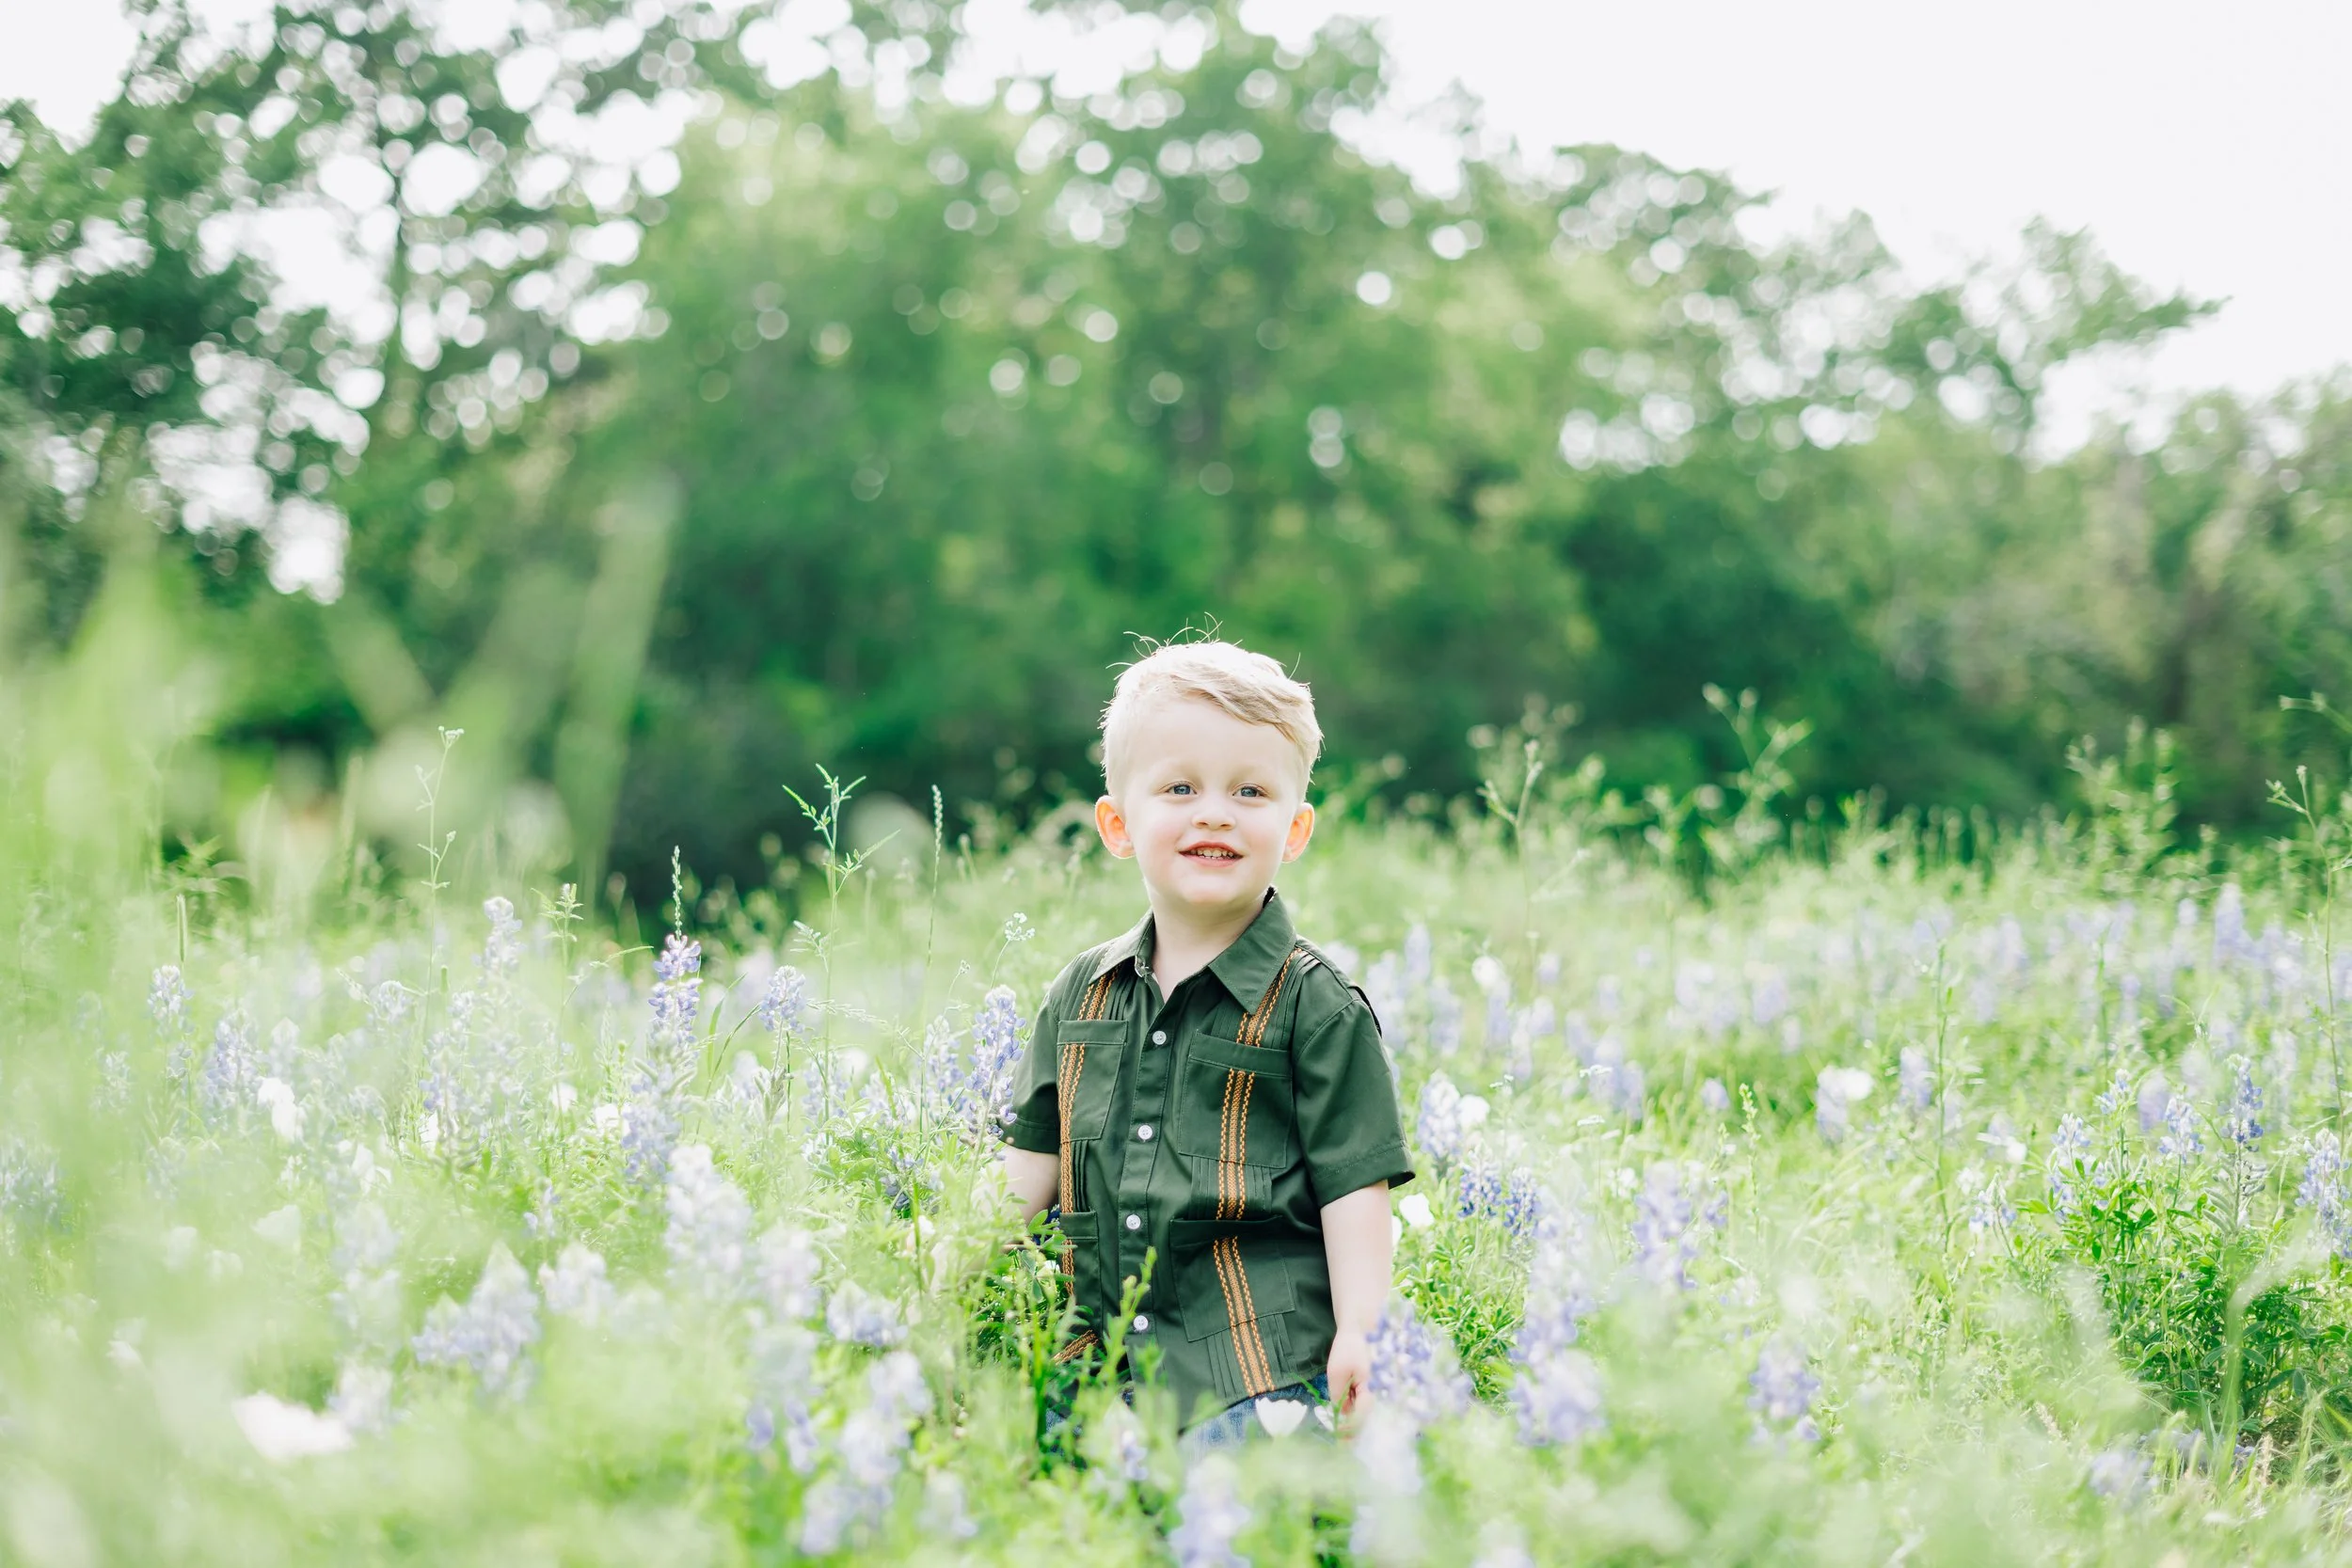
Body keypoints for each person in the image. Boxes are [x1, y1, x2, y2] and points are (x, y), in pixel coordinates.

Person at [1001, 640, 1414, 1446]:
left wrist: (1364, 1332)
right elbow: (1027, 1174)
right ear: (1119, 824)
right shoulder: (1078, 994)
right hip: (1092, 1377)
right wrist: (931, 1277)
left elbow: (1354, 1192)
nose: (1215, 811)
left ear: (1294, 830)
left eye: (1250, 790)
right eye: (1180, 786)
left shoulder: (1316, 1005)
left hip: (1258, 1378)